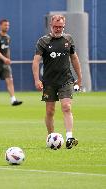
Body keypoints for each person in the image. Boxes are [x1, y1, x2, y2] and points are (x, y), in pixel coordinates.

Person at [32, 15, 82, 149]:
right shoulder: (43, 41)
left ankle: (70, 137)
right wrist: (37, 80)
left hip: (66, 80)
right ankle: (51, 137)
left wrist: (79, 77)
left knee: (66, 107)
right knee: (50, 111)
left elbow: (74, 59)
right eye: (55, 26)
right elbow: (36, 61)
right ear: (51, 25)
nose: (58, 29)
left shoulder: (68, 39)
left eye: (60, 27)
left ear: (64, 26)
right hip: (49, 82)